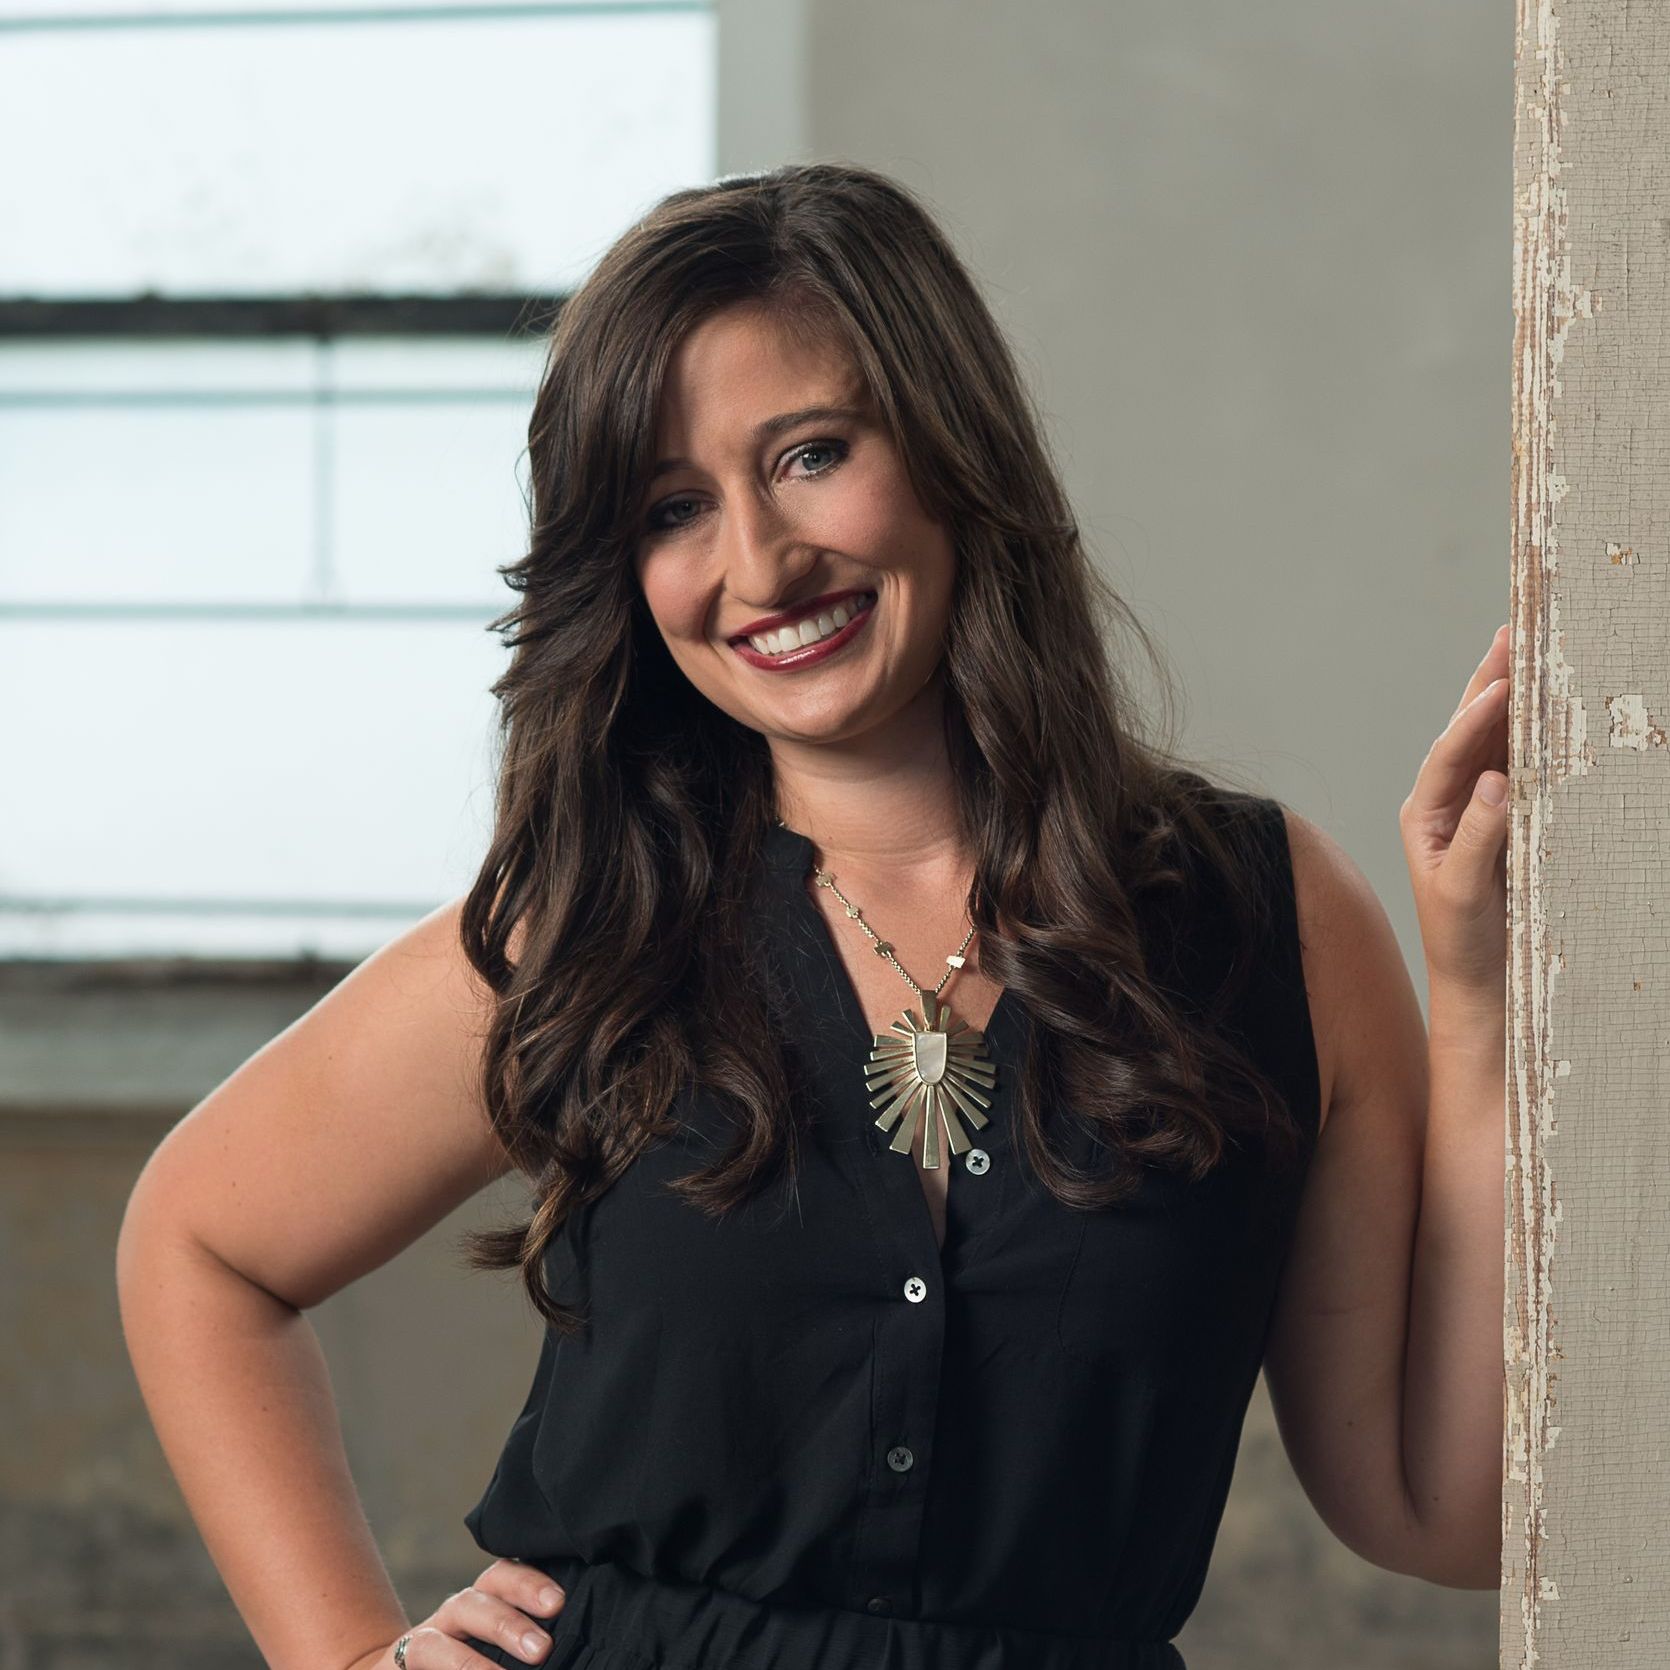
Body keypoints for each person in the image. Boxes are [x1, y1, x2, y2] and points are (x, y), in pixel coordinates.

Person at [115, 161, 1509, 1670]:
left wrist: (1480, 1001)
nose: (758, 566)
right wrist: (343, 1654)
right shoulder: (588, 924)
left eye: (809, 454)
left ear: (947, 441)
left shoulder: (1265, 918)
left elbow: (1437, 1509)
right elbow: (200, 1244)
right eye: (670, 508)